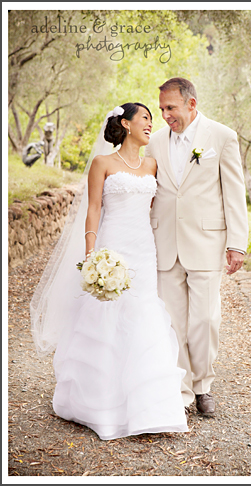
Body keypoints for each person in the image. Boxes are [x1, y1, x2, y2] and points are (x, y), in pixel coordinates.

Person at [30, 103, 188, 440]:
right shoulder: (102, 164)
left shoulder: (152, 165)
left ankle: (150, 406)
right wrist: (92, 255)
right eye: (145, 118)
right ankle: (99, 404)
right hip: (111, 247)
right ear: (126, 124)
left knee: (144, 316)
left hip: (143, 251)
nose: (151, 124)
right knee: (105, 316)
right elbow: (94, 210)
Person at [145, 77, 249, 416]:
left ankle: (204, 384)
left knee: (204, 320)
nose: (164, 115)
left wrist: (237, 243)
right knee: (173, 322)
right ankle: (183, 389)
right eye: (161, 108)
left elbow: (234, 192)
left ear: (191, 104)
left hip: (206, 242)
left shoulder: (222, 137)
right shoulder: (156, 142)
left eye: (170, 108)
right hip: (165, 242)